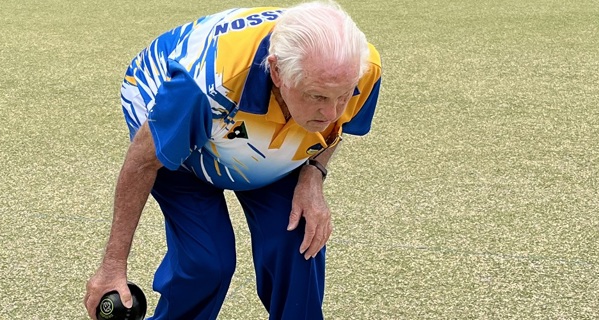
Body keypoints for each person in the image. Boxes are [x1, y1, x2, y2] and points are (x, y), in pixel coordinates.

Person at [84, 1, 382, 319]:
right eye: (318, 96)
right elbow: (142, 163)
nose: (332, 113)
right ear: (277, 72)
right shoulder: (204, 86)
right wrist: (113, 265)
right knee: (206, 262)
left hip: (242, 117)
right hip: (177, 110)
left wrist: (313, 174)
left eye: (344, 95)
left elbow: (340, 126)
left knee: (298, 239)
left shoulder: (361, 70)